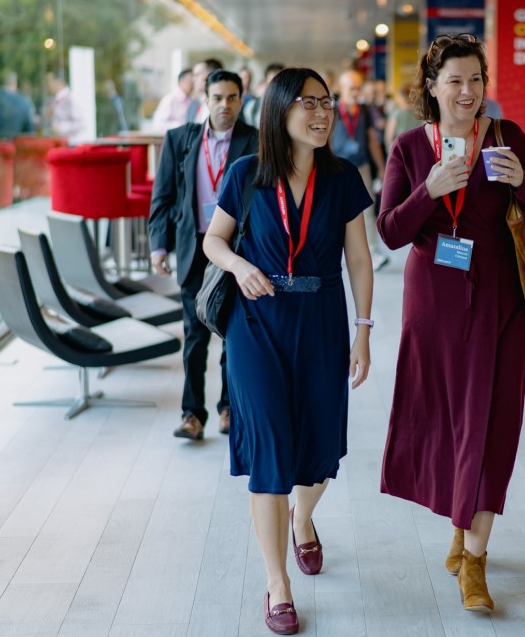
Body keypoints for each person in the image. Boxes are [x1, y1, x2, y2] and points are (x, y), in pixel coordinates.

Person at [377, 33, 525, 613]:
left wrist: (520, 182)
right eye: (454, 80)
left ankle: (475, 560)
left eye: (476, 80)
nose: (467, 91)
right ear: (431, 87)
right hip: (433, 301)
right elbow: (389, 232)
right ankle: (459, 521)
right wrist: (429, 192)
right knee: (446, 420)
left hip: (502, 301)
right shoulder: (409, 147)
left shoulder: (507, 139)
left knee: (493, 419)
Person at [202, 67, 373, 635]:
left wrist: (364, 330)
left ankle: (302, 516)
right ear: (279, 110)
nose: (322, 113)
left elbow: (359, 259)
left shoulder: (344, 176)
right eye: (309, 103)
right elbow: (213, 240)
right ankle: (278, 583)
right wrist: (240, 264)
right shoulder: (248, 173)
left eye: (326, 103)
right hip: (258, 322)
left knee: (322, 447)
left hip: (321, 320)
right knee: (273, 452)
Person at [148, 69, 258, 441]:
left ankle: (229, 407)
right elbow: (162, 197)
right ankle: (192, 414)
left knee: (232, 334)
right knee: (194, 336)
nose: (224, 104)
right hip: (194, 248)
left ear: (241, 101)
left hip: (236, 252)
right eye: (217, 98)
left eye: (231, 97)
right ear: (204, 100)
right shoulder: (179, 140)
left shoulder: (256, 142)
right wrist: (158, 246)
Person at [331, 69, 388, 271]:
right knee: (335, 210)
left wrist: (382, 167)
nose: (355, 92)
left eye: (357, 88)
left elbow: (372, 140)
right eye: (351, 88)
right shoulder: (333, 110)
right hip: (336, 167)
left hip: (361, 166)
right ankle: (336, 253)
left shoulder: (364, 111)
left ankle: (372, 251)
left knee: (367, 209)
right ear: (342, 88)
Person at [43, 73, 85, 143]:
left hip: (71, 144)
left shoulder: (71, 98)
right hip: (59, 142)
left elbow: (82, 123)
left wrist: (61, 128)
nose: (48, 86)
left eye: (50, 82)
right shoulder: (55, 99)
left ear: (58, 82)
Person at [150, 68, 194, 133]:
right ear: (181, 82)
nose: (193, 85)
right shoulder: (170, 100)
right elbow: (158, 125)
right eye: (190, 81)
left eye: (194, 82)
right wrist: (182, 126)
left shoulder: (193, 101)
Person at [186, 57, 224, 124]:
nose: (193, 79)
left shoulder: (228, 105)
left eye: (197, 75)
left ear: (211, 75)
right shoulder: (194, 105)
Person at [384, 83, 422, 150]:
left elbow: (388, 139)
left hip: (400, 152)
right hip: (416, 151)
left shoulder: (396, 113)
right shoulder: (420, 113)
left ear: (401, 97)